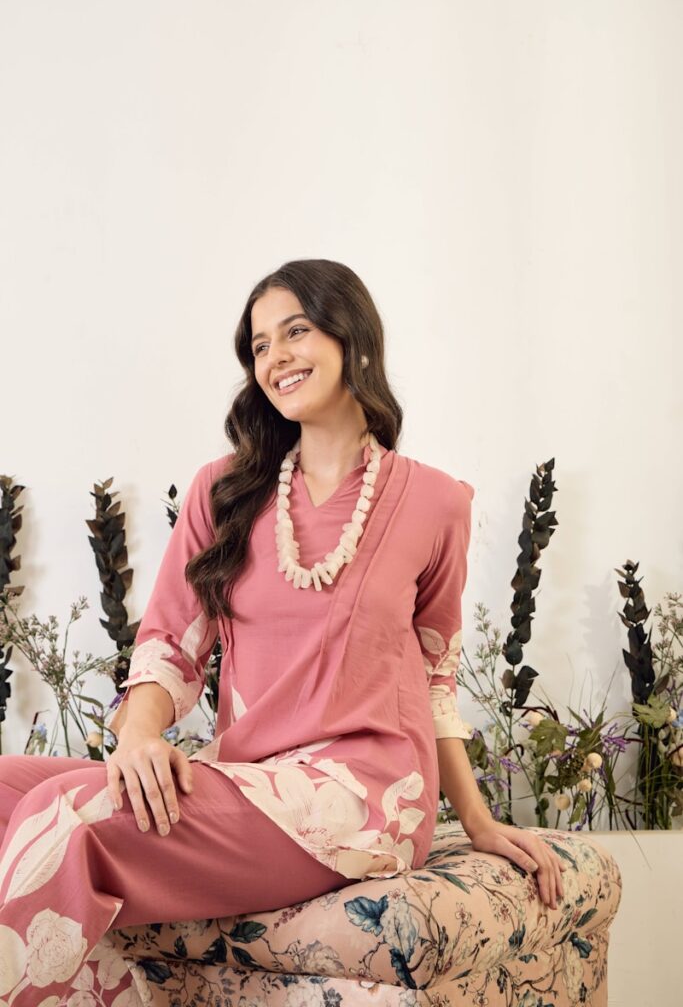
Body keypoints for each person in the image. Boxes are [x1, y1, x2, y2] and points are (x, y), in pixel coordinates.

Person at [0, 259, 565, 1002]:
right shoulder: (224, 489)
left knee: (67, 813)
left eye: (295, 331)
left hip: (363, 798)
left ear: (352, 336)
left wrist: (478, 820)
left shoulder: (437, 502)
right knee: (9, 786)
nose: (275, 358)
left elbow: (435, 675)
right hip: (246, 778)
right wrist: (138, 737)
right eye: (260, 345)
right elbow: (171, 640)